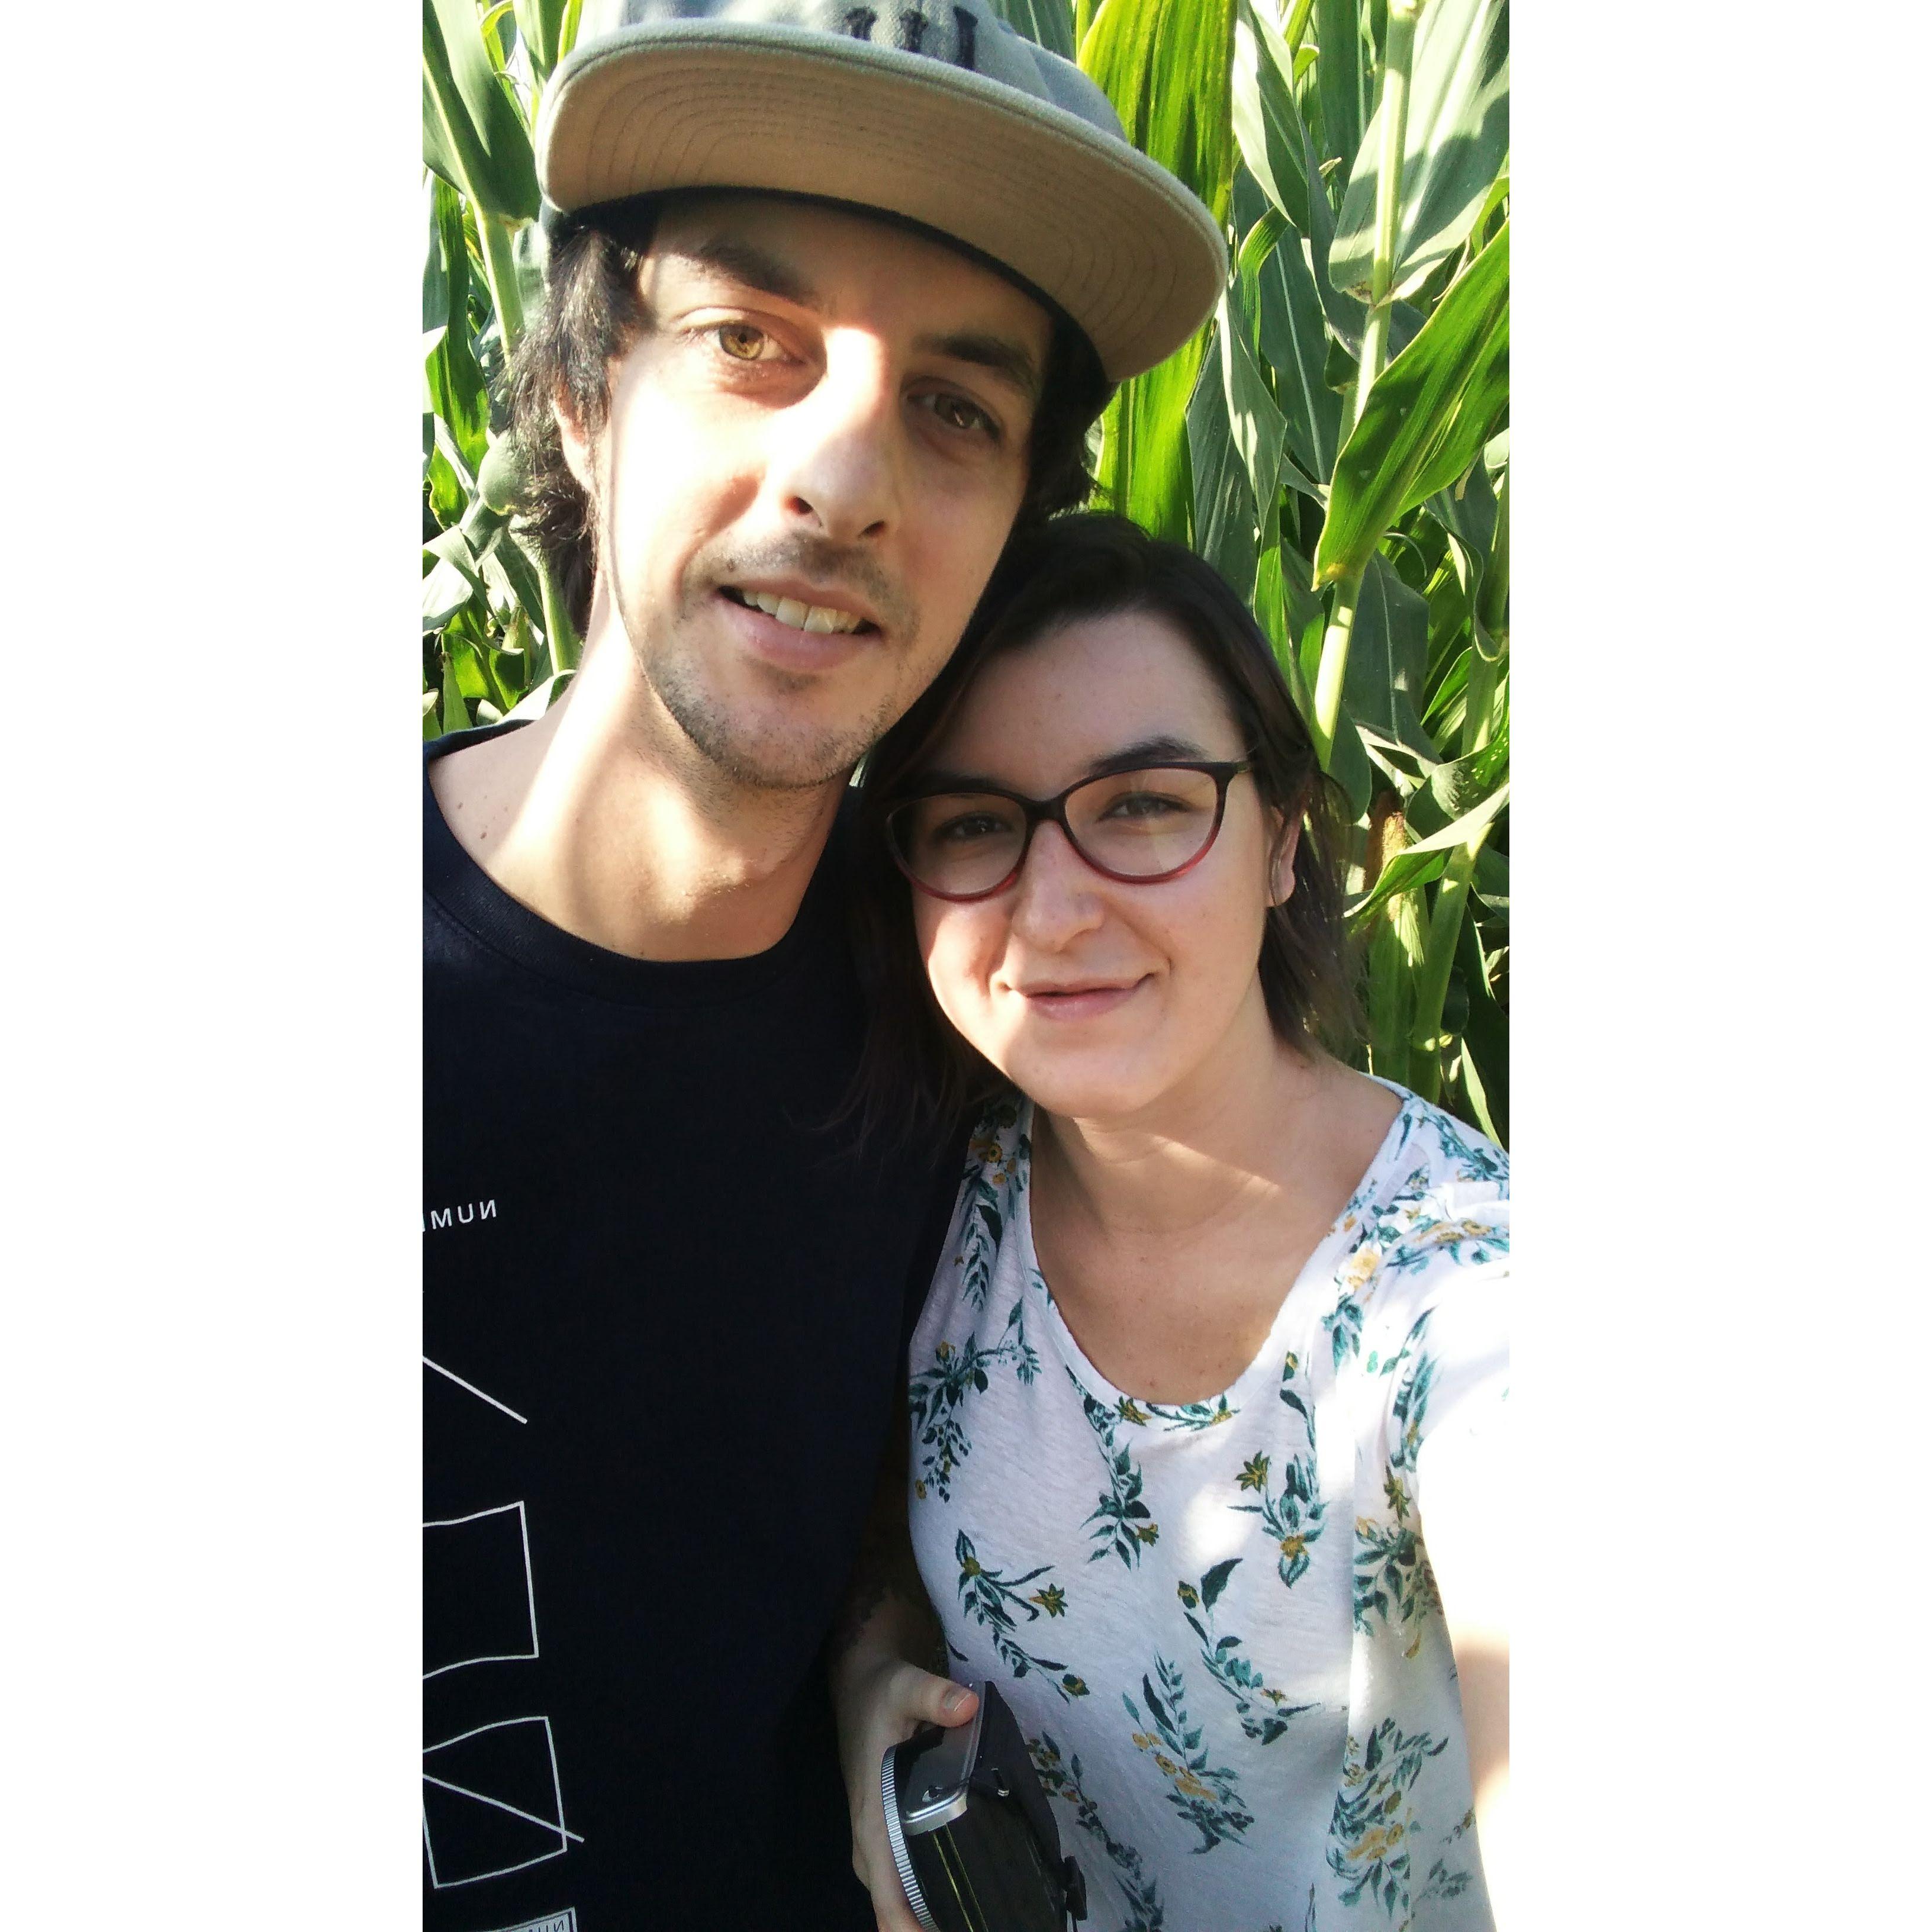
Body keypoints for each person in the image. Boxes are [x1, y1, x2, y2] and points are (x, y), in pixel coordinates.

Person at [421, 3, 1224, 1927]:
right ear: (579, 392)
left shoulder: (973, 1033)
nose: (844, 472)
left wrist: (878, 1649)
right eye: (747, 342)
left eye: (952, 405)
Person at [835, 515, 1511, 1931]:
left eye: (1141, 801)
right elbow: (888, 1541)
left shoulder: (1459, 1289)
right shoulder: (945, 1202)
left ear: (1279, 837)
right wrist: (870, 1680)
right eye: (972, 823)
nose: (1055, 909)